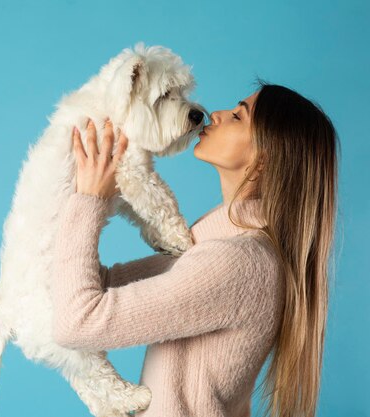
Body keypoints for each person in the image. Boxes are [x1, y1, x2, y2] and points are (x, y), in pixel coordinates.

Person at [50, 78, 340, 417]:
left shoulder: (238, 263)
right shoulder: (222, 247)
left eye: (237, 117)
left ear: (264, 158)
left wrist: (90, 199)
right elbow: (100, 285)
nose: (215, 114)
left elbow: (76, 323)